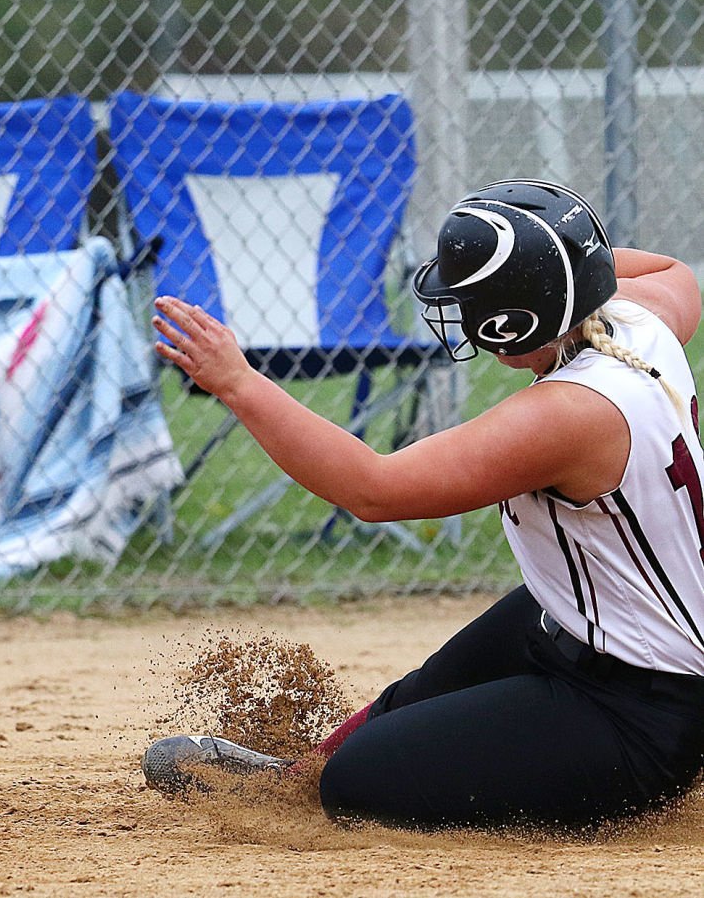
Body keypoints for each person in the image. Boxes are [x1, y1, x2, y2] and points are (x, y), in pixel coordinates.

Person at [142, 179, 704, 831]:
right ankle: (296, 776)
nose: (455, 309)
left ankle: (337, 783)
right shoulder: (640, 319)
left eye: (469, 300)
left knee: (357, 783)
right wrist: (554, 258)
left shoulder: (569, 414)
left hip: (640, 713)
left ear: (511, 324)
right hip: (614, 624)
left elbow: (372, 488)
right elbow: (672, 270)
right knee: (422, 691)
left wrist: (238, 383)